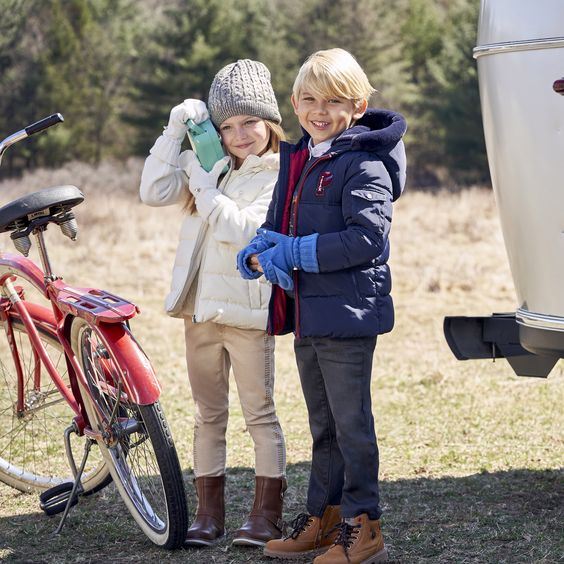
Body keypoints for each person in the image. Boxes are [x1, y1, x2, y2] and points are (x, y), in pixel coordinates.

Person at [237, 48, 407, 563]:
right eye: (309, 99)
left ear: (357, 106)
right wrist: (260, 248)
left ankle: (364, 526)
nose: (319, 110)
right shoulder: (302, 159)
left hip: (348, 313)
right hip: (309, 311)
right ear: (293, 102)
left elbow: (365, 241)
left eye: (334, 101)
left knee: (351, 424)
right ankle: (324, 518)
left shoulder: (365, 161)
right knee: (323, 424)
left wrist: (296, 253)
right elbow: (280, 225)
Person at [139, 59, 287, 548]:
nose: (239, 135)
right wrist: (175, 130)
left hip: (248, 314)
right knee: (208, 415)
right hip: (200, 313)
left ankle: (266, 516)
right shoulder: (210, 163)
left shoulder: (279, 174)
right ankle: (208, 515)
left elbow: (239, 231)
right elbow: (153, 190)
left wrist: (202, 183)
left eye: (248, 122)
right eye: (226, 126)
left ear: (269, 120)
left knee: (259, 413)